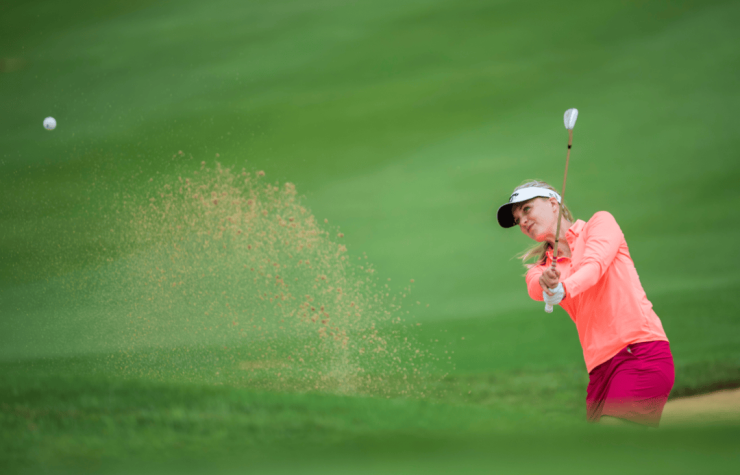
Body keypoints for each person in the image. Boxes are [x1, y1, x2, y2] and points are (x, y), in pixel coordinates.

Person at [496, 180, 674, 427]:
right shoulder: (541, 268)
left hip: (639, 352)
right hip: (599, 370)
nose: (523, 221)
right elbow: (535, 286)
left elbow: (594, 267)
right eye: (518, 220)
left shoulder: (600, 224)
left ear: (553, 204)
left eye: (527, 209)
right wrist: (548, 285)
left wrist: (563, 288)